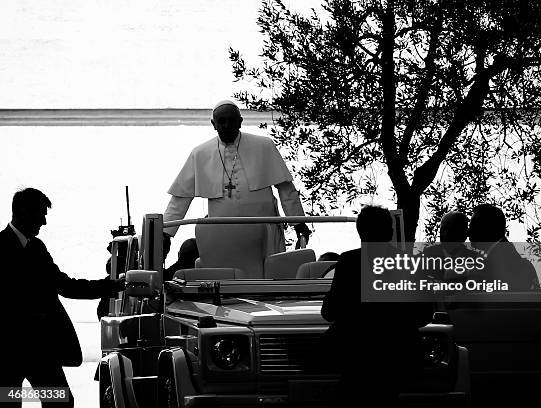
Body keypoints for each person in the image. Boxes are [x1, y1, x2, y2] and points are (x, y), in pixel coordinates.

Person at [0, 188, 124, 408]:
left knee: (60, 401)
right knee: (12, 400)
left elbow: (65, 285)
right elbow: (64, 286)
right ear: (24, 213)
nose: (44, 222)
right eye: (41, 214)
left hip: (39, 350)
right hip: (9, 353)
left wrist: (110, 286)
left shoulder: (37, 247)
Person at [163, 100, 310, 254]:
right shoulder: (200, 154)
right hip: (223, 233)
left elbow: (286, 189)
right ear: (213, 124)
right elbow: (180, 199)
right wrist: (165, 233)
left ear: (240, 122)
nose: (226, 125)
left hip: (264, 231)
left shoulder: (264, 146)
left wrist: (298, 222)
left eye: (231, 120)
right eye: (221, 121)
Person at [321, 205, 432, 407]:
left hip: (356, 360)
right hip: (398, 359)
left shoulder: (348, 262)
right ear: (389, 231)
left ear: (360, 232)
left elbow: (330, 312)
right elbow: (424, 314)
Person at [468, 204, 540, 290]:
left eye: (472, 226)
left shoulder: (486, 267)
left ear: (487, 228)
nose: (468, 232)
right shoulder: (525, 266)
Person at [422, 211, 481, 282]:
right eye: (443, 229)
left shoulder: (475, 259)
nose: (445, 234)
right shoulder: (427, 256)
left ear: (464, 234)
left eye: (452, 229)